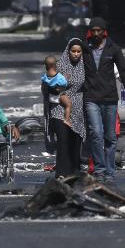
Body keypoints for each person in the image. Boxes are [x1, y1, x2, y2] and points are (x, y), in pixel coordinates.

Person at [82, 17, 125, 183]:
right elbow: (71, 64)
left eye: (99, 31)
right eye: (93, 31)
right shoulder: (84, 49)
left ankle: (110, 172)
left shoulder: (114, 49)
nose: (96, 34)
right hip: (91, 97)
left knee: (110, 137)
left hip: (110, 98)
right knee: (96, 134)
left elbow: (124, 72)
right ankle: (100, 170)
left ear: (104, 32)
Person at [55, 38, 87, 175]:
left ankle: (74, 171)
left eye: (78, 51)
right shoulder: (59, 66)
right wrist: (61, 91)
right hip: (59, 107)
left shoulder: (85, 66)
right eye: (73, 51)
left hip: (78, 108)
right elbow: (48, 85)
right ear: (68, 52)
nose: (76, 54)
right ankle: (62, 173)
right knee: (63, 139)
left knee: (76, 140)